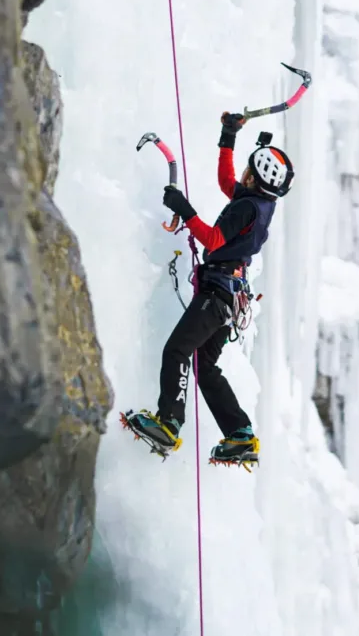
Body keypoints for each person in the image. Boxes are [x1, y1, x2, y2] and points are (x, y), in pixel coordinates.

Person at [128, 112, 294, 464]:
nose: (243, 174)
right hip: (230, 298)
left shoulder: (247, 208)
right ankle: (240, 435)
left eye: (248, 170)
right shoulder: (260, 204)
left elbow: (214, 240)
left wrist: (184, 210)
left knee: (177, 350)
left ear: (255, 178)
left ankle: (169, 424)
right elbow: (225, 181)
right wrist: (227, 137)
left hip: (218, 294)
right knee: (204, 366)